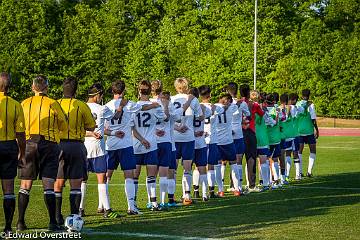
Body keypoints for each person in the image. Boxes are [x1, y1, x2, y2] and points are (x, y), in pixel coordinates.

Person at [18, 75, 68, 231]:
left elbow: (18, 125)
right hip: (48, 144)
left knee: (25, 184)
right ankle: (53, 222)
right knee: (48, 184)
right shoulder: (52, 103)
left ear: (33, 88)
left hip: (28, 143)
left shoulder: (24, 103)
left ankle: (20, 222)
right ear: (47, 87)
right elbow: (63, 124)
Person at [104, 80, 159, 215]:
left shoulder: (106, 106)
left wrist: (112, 133)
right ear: (124, 91)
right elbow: (143, 108)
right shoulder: (128, 104)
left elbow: (103, 129)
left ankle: (103, 205)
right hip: (126, 145)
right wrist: (153, 105)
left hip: (111, 145)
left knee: (105, 177)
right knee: (129, 176)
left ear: (112, 91)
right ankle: (131, 207)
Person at [54, 77, 96, 224]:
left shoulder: (55, 104)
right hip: (76, 145)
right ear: (76, 90)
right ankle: (73, 216)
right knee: (76, 183)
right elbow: (91, 126)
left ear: (62, 89)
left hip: (58, 145)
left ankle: (57, 216)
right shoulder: (81, 105)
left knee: (58, 182)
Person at [81, 83, 117, 218]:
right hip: (98, 149)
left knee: (82, 180)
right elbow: (114, 117)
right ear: (97, 96)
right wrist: (119, 109)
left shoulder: (81, 107)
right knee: (101, 179)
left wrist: (90, 134)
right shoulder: (102, 108)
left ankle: (80, 209)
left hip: (83, 148)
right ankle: (107, 210)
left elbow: (79, 130)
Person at [132, 80, 166, 211]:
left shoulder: (133, 106)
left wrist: (141, 139)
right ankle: (153, 203)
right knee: (151, 176)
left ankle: (133, 203)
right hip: (151, 144)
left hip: (136, 144)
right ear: (150, 90)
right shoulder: (155, 106)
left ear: (139, 91)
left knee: (135, 176)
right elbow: (163, 118)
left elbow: (131, 127)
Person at [0, 73, 26, 236]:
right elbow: (21, 134)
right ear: (9, 86)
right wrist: (22, 153)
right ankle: (8, 228)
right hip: (9, 147)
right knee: (8, 189)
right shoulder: (16, 105)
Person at [171, 77, 204, 206]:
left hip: (175, 136)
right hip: (189, 137)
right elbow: (201, 117)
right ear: (187, 86)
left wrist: (178, 127)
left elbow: (168, 119)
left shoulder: (172, 100)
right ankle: (187, 195)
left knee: (172, 169)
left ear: (176, 87)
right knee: (187, 168)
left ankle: (171, 196)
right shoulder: (193, 99)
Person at [215, 93, 243, 197]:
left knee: (219, 165)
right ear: (229, 101)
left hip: (217, 141)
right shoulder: (232, 107)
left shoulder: (215, 107)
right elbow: (238, 104)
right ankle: (236, 189)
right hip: (228, 141)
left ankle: (220, 190)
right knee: (233, 164)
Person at [199, 85, 224, 198]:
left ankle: (195, 190)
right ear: (210, 95)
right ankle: (211, 190)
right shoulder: (215, 107)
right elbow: (222, 109)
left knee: (197, 166)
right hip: (212, 139)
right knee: (211, 166)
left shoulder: (197, 107)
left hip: (200, 139)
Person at [225, 82, 250, 193]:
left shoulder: (223, 103)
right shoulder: (241, 103)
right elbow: (248, 114)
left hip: (226, 134)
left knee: (223, 161)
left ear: (227, 91)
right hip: (238, 133)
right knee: (238, 160)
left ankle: (221, 188)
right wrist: (242, 119)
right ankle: (238, 186)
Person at [240, 84, 264, 193]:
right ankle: (252, 185)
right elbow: (262, 113)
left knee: (237, 160)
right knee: (251, 158)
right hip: (250, 131)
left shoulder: (236, 103)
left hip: (239, 133)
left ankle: (235, 185)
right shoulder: (253, 104)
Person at [190, 88, 211, 201]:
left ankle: (190, 193)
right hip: (201, 141)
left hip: (190, 141)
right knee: (202, 168)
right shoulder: (203, 108)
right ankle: (204, 194)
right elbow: (208, 114)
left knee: (189, 168)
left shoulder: (187, 108)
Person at [251, 90, 272, 191]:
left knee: (250, 161)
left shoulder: (247, 108)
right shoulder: (263, 110)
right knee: (263, 161)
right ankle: (265, 183)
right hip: (262, 137)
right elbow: (270, 122)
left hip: (252, 137)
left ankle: (250, 184)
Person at [297, 89, 319, 177]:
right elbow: (313, 119)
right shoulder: (311, 105)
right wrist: (317, 129)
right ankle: (309, 172)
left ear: (301, 95)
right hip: (309, 130)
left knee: (299, 151)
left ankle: (300, 171)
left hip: (299, 130)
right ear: (309, 95)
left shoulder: (297, 104)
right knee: (313, 150)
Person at [265, 93, 282, 189]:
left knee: (266, 160)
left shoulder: (264, 110)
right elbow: (284, 118)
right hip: (276, 138)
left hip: (267, 138)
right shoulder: (277, 109)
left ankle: (268, 181)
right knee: (275, 159)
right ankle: (276, 180)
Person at [288, 93, 302, 180]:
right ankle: (298, 174)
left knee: (287, 154)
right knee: (295, 154)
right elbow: (303, 108)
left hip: (288, 134)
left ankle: (286, 175)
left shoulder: (289, 108)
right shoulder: (298, 108)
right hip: (296, 134)